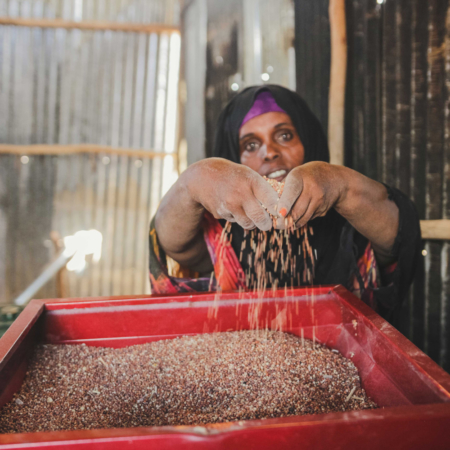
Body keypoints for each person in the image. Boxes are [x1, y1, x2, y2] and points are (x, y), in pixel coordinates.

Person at [149, 85, 421, 325]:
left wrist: (339, 183)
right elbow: (174, 244)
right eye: (251, 144)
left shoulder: (350, 223)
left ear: (308, 140)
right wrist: (193, 182)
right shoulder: (223, 234)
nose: (269, 152)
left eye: (285, 136)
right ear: (233, 157)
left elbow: (399, 236)